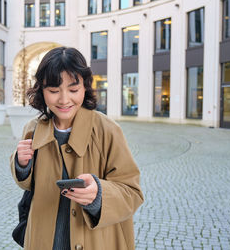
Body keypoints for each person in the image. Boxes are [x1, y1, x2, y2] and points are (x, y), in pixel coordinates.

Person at [10, 47, 144, 250]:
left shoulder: (107, 130)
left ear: (85, 87)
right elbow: (28, 186)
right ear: (42, 90)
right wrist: (21, 164)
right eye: (54, 91)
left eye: (73, 90)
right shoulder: (33, 128)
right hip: (43, 240)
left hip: (97, 241)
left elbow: (132, 193)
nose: (64, 100)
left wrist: (99, 194)